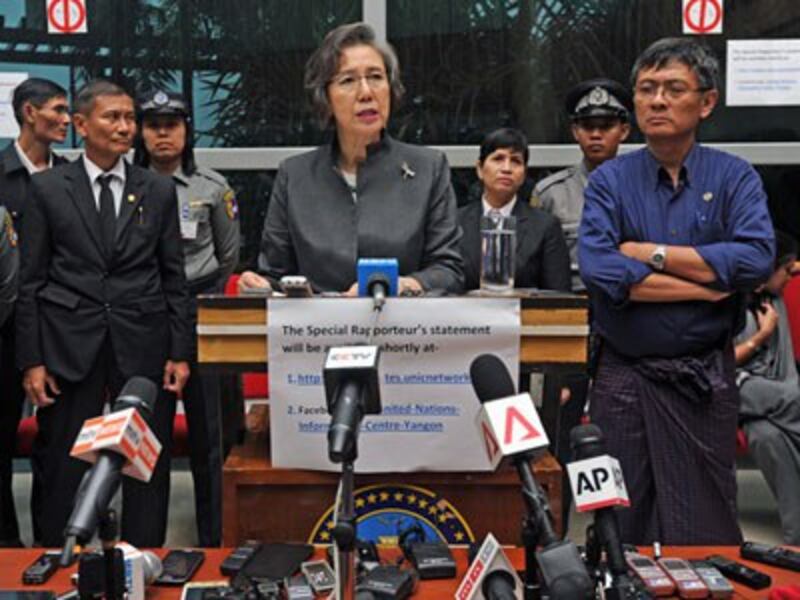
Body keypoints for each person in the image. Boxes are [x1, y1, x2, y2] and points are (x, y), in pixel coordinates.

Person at [578, 38, 774, 545]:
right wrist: (707, 285)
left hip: (702, 378)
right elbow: (601, 269)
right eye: (646, 90)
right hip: (623, 376)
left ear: (706, 102)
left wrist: (649, 253)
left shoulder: (735, 177)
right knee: (617, 523)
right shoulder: (610, 182)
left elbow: (754, 259)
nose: (657, 101)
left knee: (704, 528)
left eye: (673, 89)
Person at [15, 80, 192, 548]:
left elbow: (173, 276)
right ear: (80, 124)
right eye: (112, 117)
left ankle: (143, 557)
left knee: (143, 461)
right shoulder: (48, 188)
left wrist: (180, 351)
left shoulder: (154, 189)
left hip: (143, 340)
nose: (125, 127)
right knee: (62, 462)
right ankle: (57, 558)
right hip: (70, 343)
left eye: (129, 118)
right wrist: (31, 361)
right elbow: (30, 282)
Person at [238, 22, 463, 295]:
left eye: (376, 77)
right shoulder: (294, 175)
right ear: (326, 99)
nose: (366, 92)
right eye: (348, 80)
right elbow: (275, 274)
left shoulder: (429, 169)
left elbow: (448, 271)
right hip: (317, 332)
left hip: (405, 330)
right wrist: (258, 285)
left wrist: (402, 285)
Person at [133, 89, 240, 547]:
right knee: (144, 434)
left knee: (211, 436)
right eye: (153, 124)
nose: (162, 132)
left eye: (171, 124)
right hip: (146, 317)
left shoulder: (212, 187)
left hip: (201, 314)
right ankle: (144, 543)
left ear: (186, 130)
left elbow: (228, 254)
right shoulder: (129, 185)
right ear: (141, 131)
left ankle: (216, 540)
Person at [0, 77, 70, 547]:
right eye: (58, 110)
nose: (67, 120)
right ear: (29, 112)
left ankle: (53, 543)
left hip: (58, 330)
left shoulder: (67, 176)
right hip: (5, 331)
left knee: (57, 445)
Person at [532, 78, 632, 293]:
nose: (596, 134)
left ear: (624, 131)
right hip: (571, 305)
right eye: (587, 126)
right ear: (576, 131)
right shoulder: (550, 193)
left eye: (606, 126)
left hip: (630, 303)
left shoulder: (644, 189)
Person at [734, 231, 800, 545]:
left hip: (769, 401)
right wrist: (760, 337)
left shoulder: (773, 301)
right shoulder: (728, 299)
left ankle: (796, 535)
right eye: (786, 270)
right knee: (794, 400)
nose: (791, 278)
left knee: (766, 436)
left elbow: (785, 372)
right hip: (733, 390)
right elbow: (719, 365)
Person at [458, 127, 570, 292]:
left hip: (524, 316)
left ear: (524, 174)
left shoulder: (545, 226)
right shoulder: (455, 222)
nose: (507, 169)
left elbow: (559, 295)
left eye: (516, 161)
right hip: (465, 316)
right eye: (498, 159)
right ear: (480, 169)